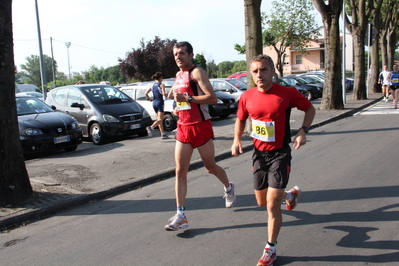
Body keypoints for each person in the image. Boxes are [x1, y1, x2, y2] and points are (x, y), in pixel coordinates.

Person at [231, 54, 315, 266]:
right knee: (261, 201)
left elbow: (310, 109)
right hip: (259, 155)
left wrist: (303, 131)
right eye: (255, 71)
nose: (260, 74)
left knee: (272, 204)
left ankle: (270, 248)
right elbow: (240, 119)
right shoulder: (247, 96)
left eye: (264, 70)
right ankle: (291, 194)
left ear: (273, 71)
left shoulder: (287, 93)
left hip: (280, 153)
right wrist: (236, 140)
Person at [164, 41, 236, 231]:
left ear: (191, 55)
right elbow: (176, 97)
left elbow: (212, 98)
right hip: (183, 128)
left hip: (200, 127)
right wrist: (177, 107)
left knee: (210, 167)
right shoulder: (178, 75)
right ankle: (181, 215)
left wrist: (188, 99)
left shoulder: (197, 72)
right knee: (180, 172)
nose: (178, 57)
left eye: (181, 53)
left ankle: (228, 188)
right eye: (175, 54)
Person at [145, 72, 169, 139]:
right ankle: (151, 127)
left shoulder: (152, 85)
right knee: (160, 119)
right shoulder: (161, 85)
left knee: (159, 119)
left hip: (154, 102)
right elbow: (164, 94)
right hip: (160, 102)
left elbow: (146, 93)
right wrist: (170, 96)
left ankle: (163, 133)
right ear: (160, 78)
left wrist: (150, 99)